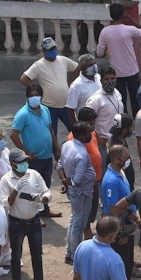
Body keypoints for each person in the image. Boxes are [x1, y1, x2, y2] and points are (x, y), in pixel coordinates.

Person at [0, 149, 53, 280]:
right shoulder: (6, 180)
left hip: (34, 221)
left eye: (25, 161)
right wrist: (16, 189)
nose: (24, 164)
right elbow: (6, 203)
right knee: (15, 257)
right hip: (17, 223)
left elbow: (47, 192)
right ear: (12, 164)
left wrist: (43, 198)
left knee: (37, 254)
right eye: (20, 162)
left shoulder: (34, 174)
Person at [10, 84, 61, 218]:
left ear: (41, 96)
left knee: (45, 184)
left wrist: (57, 148)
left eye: (36, 95)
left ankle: (44, 210)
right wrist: (26, 153)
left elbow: (50, 129)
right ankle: (34, 215)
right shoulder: (23, 114)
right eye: (31, 95)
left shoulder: (45, 110)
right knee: (33, 186)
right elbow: (14, 135)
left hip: (47, 155)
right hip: (34, 158)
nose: (34, 98)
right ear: (27, 97)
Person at [96, 4, 141, 115]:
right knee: (135, 98)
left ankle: (124, 122)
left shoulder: (105, 32)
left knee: (120, 100)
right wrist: (132, 20)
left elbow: (99, 52)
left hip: (116, 73)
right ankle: (138, 118)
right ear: (123, 15)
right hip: (132, 70)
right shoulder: (129, 29)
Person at [19, 37, 79, 133]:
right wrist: (37, 91)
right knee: (52, 133)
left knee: (75, 130)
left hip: (66, 104)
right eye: (50, 49)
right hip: (49, 106)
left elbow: (77, 67)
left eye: (54, 48)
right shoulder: (38, 65)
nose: (53, 51)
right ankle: (54, 148)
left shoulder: (63, 60)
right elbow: (24, 78)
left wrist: (70, 82)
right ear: (44, 51)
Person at [100, 144, 138, 280]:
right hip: (120, 226)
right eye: (125, 158)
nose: (128, 160)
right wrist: (121, 232)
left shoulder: (119, 172)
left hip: (127, 223)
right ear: (116, 159)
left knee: (128, 260)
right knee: (122, 261)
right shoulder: (111, 181)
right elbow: (114, 209)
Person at [58, 122, 97, 265]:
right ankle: (76, 256)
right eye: (88, 133)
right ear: (81, 135)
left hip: (74, 191)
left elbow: (60, 165)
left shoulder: (67, 145)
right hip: (82, 193)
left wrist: (64, 182)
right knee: (78, 225)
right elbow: (78, 180)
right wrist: (68, 182)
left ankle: (70, 252)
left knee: (74, 221)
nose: (90, 135)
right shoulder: (81, 154)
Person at [69, 107, 103, 241]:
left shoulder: (90, 133)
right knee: (82, 215)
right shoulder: (73, 138)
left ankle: (86, 231)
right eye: (91, 124)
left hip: (94, 178)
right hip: (84, 183)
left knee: (91, 209)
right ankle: (84, 239)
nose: (93, 127)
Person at [86, 66, 125, 171]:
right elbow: (87, 122)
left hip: (118, 141)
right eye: (107, 79)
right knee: (104, 172)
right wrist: (98, 140)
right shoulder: (95, 100)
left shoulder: (117, 93)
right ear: (101, 81)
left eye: (113, 79)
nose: (110, 81)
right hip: (103, 144)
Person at [66, 54, 101, 124]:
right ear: (82, 68)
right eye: (90, 65)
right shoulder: (76, 86)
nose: (94, 66)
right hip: (87, 124)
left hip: (102, 122)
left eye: (94, 63)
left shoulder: (99, 77)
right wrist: (77, 126)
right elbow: (70, 109)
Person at [107, 113, 136, 191]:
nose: (132, 128)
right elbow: (121, 170)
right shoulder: (118, 148)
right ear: (124, 130)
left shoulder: (119, 139)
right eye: (131, 127)